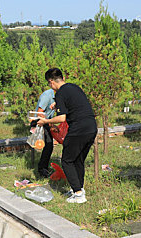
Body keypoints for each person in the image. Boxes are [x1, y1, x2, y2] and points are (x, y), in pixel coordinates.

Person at [37, 68, 97, 204]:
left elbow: (62, 118)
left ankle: (78, 194)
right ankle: (79, 188)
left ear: (51, 82)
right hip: (91, 127)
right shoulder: (74, 88)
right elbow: (75, 105)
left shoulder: (59, 93)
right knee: (78, 160)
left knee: (67, 160)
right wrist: (58, 104)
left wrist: (46, 121)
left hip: (78, 129)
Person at [35, 88, 55, 178]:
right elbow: (40, 112)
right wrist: (49, 123)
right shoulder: (47, 95)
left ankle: (44, 168)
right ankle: (42, 169)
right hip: (40, 121)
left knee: (49, 146)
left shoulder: (58, 96)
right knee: (48, 145)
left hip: (46, 121)